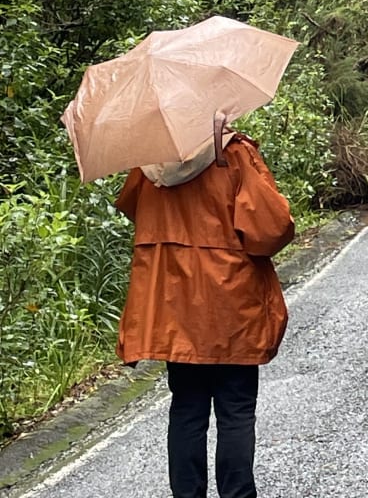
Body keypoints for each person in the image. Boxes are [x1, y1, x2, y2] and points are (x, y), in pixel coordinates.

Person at [114, 130, 294, 498]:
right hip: (232, 303)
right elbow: (271, 230)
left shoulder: (150, 162)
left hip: (175, 306)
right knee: (236, 409)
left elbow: (134, 208)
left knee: (186, 407)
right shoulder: (233, 154)